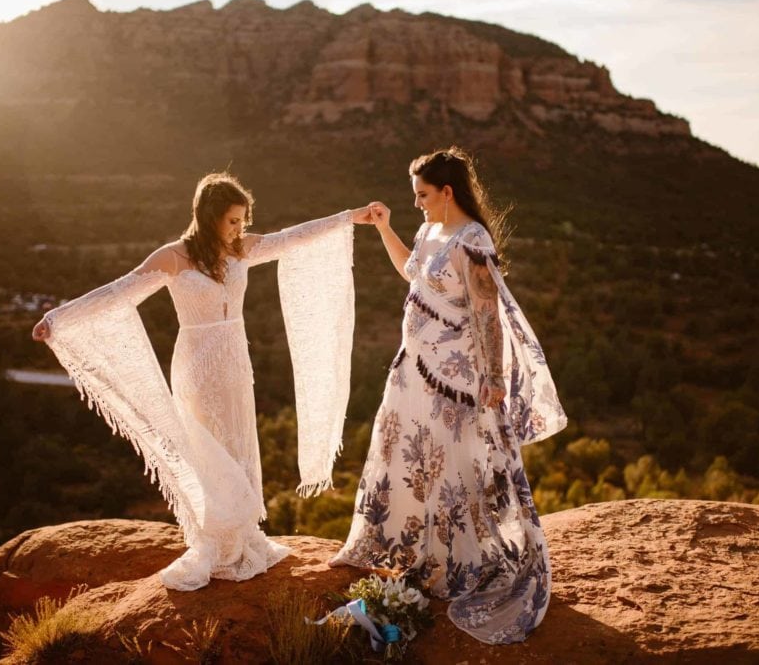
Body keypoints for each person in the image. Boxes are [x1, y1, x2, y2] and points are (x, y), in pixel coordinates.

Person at [33, 172, 371, 591]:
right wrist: (58, 319)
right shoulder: (173, 257)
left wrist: (349, 218)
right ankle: (215, 540)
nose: (238, 229)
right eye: (231, 220)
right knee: (205, 449)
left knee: (237, 444)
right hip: (196, 364)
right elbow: (118, 293)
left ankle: (241, 538)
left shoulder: (242, 248)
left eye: (242, 221)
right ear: (208, 216)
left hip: (235, 361)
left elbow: (292, 238)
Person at [329, 148, 567, 643]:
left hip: (453, 376)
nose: (415, 202)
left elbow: (486, 313)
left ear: (447, 192)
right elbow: (412, 274)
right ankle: (409, 550)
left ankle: (456, 562)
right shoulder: (426, 230)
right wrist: (383, 228)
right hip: (412, 370)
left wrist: (494, 378)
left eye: (421, 194)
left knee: (451, 462)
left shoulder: (472, 238)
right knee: (408, 456)